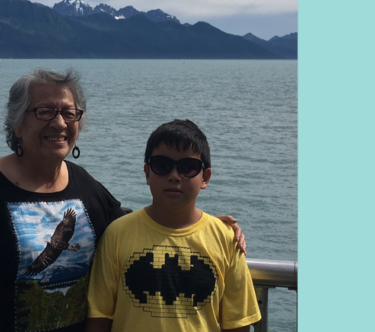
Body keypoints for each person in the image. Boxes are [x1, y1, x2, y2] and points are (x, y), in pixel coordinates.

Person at [0, 70, 246, 332]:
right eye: (44, 111)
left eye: (69, 113)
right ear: (17, 123)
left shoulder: (84, 186)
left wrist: (209, 226)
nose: (58, 123)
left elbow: (139, 225)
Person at [86, 119, 261, 332]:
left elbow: (237, 323)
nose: (174, 176)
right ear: (147, 173)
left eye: (188, 168)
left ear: (205, 178)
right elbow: (100, 318)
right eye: (162, 166)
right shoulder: (117, 234)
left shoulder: (225, 239)